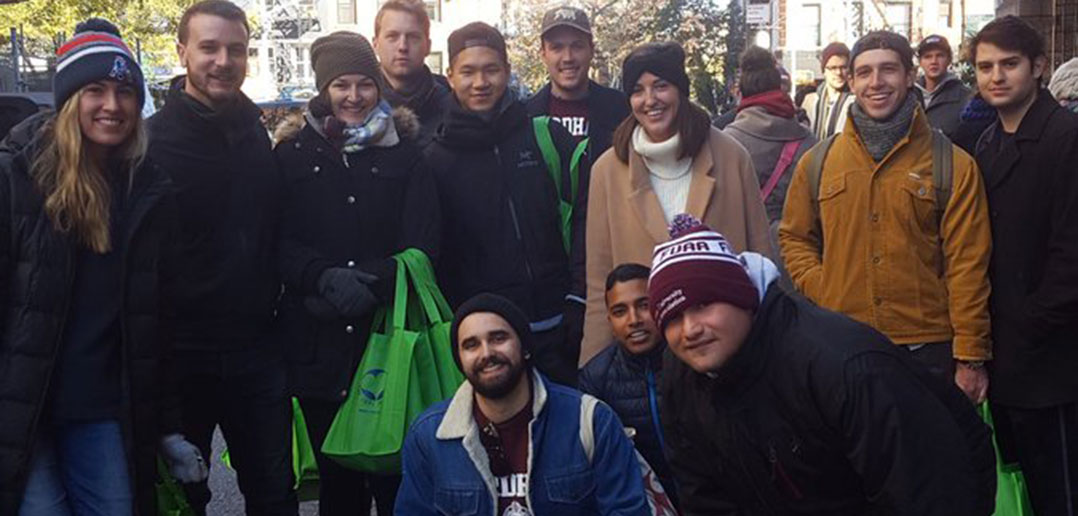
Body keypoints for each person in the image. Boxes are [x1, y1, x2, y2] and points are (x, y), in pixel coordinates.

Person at [0, 18, 207, 516]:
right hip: (24, 407)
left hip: (102, 409)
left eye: (124, 91)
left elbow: (156, 320)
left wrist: (168, 426)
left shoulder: (146, 191)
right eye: (95, 90)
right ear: (69, 99)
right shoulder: (16, 178)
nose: (112, 105)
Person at [654, 215, 996, 515]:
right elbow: (704, 497)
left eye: (703, 304)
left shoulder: (841, 366)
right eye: (672, 317)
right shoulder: (681, 376)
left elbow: (929, 491)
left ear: (741, 298)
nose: (690, 330)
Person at [274, 31, 440, 515]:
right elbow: (276, 238)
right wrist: (321, 276)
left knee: (397, 481)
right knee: (339, 489)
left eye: (363, 84)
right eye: (341, 85)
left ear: (378, 87)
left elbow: (425, 242)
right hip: (318, 345)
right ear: (324, 89)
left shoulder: (407, 154)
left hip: (386, 339)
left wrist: (371, 282)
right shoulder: (292, 155)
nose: (353, 96)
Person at [779, 31, 993, 403]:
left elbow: (969, 265)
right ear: (851, 81)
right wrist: (823, 285)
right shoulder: (819, 163)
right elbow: (795, 237)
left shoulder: (953, 165)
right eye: (864, 73)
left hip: (926, 350)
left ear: (910, 76)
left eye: (888, 70)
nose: (876, 82)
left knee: (930, 459)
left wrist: (970, 357)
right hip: (842, 342)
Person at [145, 2, 296, 513]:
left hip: (256, 349)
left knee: (275, 493)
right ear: (182, 51)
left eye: (236, 49)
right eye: (209, 47)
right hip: (180, 357)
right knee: (186, 497)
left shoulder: (255, 132)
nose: (223, 60)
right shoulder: (151, 145)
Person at [581, 41, 772, 366]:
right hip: (644, 361)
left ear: (680, 90)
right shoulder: (607, 170)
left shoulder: (731, 156)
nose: (650, 100)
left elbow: (762, 260)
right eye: (638, 90)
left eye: (661, 86)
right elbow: (600, 282)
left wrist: (773, 345)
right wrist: (592, 368)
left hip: (727, 349)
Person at [426, 22, 587, 387]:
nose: (480, 82)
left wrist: (578, 297)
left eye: (491, 69)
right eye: (467, 71)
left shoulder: (544, 136)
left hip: (560, 324)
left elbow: (583, 219)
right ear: (450, 76)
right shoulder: (435, 159)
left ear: (507, 71)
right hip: (490, 341)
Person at [395, 293, 650, 515]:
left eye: (498, 338)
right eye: (471, 345)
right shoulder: (429, 437)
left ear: (525, 348)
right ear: (460, 362)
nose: (486, 353)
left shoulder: (590, 420)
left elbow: (628, 509)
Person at [970, 16, 1078, 514]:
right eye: (984, 66)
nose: (996, 76)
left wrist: (1033, 322)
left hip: (1053, 360)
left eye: (1008, 64)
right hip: (1007, 357)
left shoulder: (1066, 137)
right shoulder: (987, 143)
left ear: (1038, 66)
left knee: (1060, 490)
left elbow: (1070, 253)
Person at [578, 264, 677, 506]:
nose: (634, 320)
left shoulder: (689, 358)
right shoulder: (595, 378)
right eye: (620, 311)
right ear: (610, 320)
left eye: (643, 305)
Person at [724, 46, 816, 247]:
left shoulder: (725, 143)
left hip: (744, 250)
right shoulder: (810, 143)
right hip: (798, 252)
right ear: (779, 88)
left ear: (741, 92)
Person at [526, 5, 629, 159]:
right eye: (557, 48)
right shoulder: (525, 117)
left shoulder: (621, 110)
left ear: (591, 50)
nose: (568, 57)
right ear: (543, 54)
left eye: (577, 46)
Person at [372, 0, 450, 148]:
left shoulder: (454, 102)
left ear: (428, 46)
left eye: (413, 37)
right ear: (375, 45)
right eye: (392, 37)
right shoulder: (356, 105)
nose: (402, 46)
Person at [915, 35, 971, 137]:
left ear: (949, 59)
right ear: (920, 62)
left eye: (940, 56)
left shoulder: (965, 97)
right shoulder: (908, 95)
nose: (934, 62)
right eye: (927, 57)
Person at [800, 41, 856, 139]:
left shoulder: (856, 100)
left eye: (843, 67)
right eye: (833, 68)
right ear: (824, 71)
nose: (838, 73)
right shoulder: (810, 101)